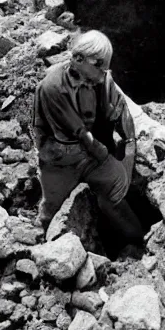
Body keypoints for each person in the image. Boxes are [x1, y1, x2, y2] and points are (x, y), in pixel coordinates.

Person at [31, 31, 143, 242]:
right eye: (98, 65)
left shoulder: (101, 79)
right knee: (54, 207)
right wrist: (105, 156)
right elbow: (79, 131)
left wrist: (128, 146)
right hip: (59, 154)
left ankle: (138, 242)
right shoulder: (52, 86)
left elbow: (121, 111)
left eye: (104, 68)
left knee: (114, 192)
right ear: (78, 59)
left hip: (90, 149)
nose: (102, 74)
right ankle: (48, 243)